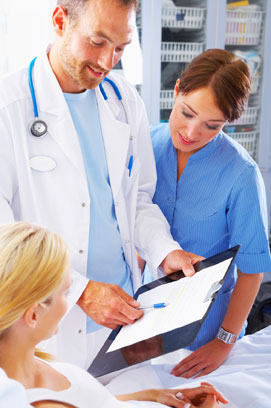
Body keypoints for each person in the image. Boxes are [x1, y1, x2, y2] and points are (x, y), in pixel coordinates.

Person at [0, 0, 203, 368]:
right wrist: (79, 290)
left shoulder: (124, 100)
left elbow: (138, 199)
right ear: (60, 21)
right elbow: (4, 236)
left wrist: (164, 250)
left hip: (124, 311)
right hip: (49, 319)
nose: (108, 62)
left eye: (121, 47)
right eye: (97, 41)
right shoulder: (8, 108)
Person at [0, 222, 227, 408]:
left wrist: (155, 395)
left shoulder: (28, 362)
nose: (70, 300)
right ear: (33, 316)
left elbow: (90, 403)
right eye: (66, 292)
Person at [147, 48, 271, 378]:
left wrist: (224, 342)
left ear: (227, 123)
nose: (191, 132)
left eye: (211, 125)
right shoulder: (145, 144)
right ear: (176, 92)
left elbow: (252, 270)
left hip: (205, 333)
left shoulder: (240, 174)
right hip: (145, 322)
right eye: (186, 113)